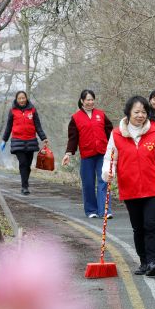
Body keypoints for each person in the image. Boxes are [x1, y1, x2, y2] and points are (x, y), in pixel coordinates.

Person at [103, 95, 155, 277]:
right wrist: (107, 174)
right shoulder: (116, 135)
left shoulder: (154, 133)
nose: (140, 115)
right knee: (138, 227)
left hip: (153, 187)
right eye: (137, 112)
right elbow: (110, 159)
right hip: (130, 188)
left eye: (143, 112)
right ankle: (143, 262)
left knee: (151, 225)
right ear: (128, 113)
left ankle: (153, 261)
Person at [62, 90, 114, 219]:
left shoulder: (101, 115)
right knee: (88, 183)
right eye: (88, 100)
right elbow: (73, 138)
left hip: (102, 153)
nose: (90, 102)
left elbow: (110, 132)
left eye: (92, 100)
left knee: (104, 180)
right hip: (87, 154)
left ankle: (105, 211)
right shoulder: (76, 118)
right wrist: (68, 153)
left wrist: (114, 146)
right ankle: (91, 210)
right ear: (82, 101)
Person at [1, 90, 48, 195]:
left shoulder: (32, 110)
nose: (22, 100)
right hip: (17, 141)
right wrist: (4, 139)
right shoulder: (12, 111)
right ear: (16, 100)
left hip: (30, 140)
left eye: (23, 98)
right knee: (22, 163)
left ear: (26, 98)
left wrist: (43, 138)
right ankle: (24, 186)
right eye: (19, 98)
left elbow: (38, 126)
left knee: (28, 164)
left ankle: (25, 183)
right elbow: (8, 127)